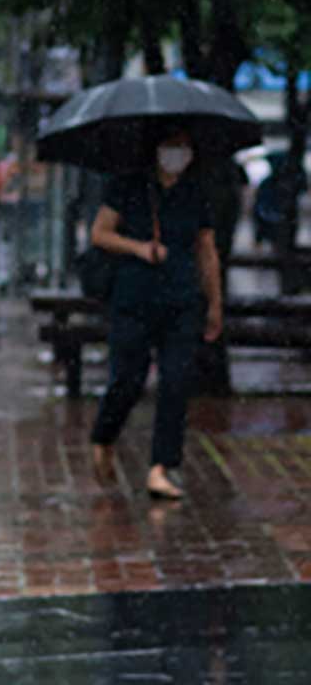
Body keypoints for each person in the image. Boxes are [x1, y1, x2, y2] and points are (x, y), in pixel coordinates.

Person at [88, 125, 223, 500]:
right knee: (127, 380)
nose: (177, 153)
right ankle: (104, 436)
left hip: (181, 300)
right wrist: (138, 248)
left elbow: (206, 249)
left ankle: (162, 466)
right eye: (170, 145)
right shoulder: (129, 185)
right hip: (133, 298)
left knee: (176, 382)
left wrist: (214, 303)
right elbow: (99, 233)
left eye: (184, 145)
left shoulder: (196, 192)